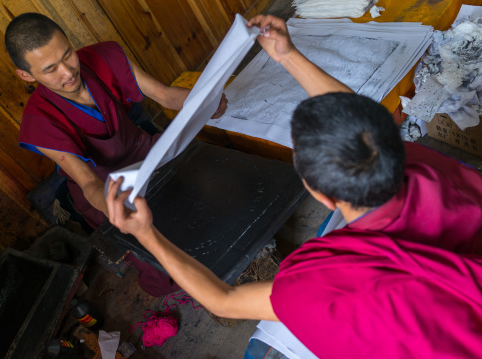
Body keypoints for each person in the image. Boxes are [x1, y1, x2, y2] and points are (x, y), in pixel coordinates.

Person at [106, 14, 482, 358]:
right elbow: (356, 117)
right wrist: (287, 56)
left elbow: (225, 300)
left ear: (321, 195)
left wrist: (146, 233)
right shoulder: (422, 163)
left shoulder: (324, 277)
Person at [5, 13, 227, 229]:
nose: (68, 72)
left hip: (146, 152)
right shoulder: (38, 122)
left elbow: (165, 95)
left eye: (67, 55)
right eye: (50, 69)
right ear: (26, 75)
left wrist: (204, 101)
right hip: (106, 187)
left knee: (213, 191)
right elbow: (89, 183)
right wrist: (119, 211)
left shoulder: (105, 56)